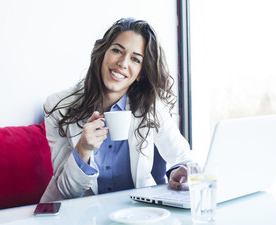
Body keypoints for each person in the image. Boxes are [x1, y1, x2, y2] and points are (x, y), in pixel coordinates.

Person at [40, 18, 194, 203]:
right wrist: (83, 149)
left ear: (140, 74)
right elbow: (66, 191)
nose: (122, 63)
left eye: (135, 59)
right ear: (103, 53)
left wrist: (181, 172)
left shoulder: (151, 106)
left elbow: (183, 158)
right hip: (76, 217)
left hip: (134, 214)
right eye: (117, 50)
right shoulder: (58, 106)